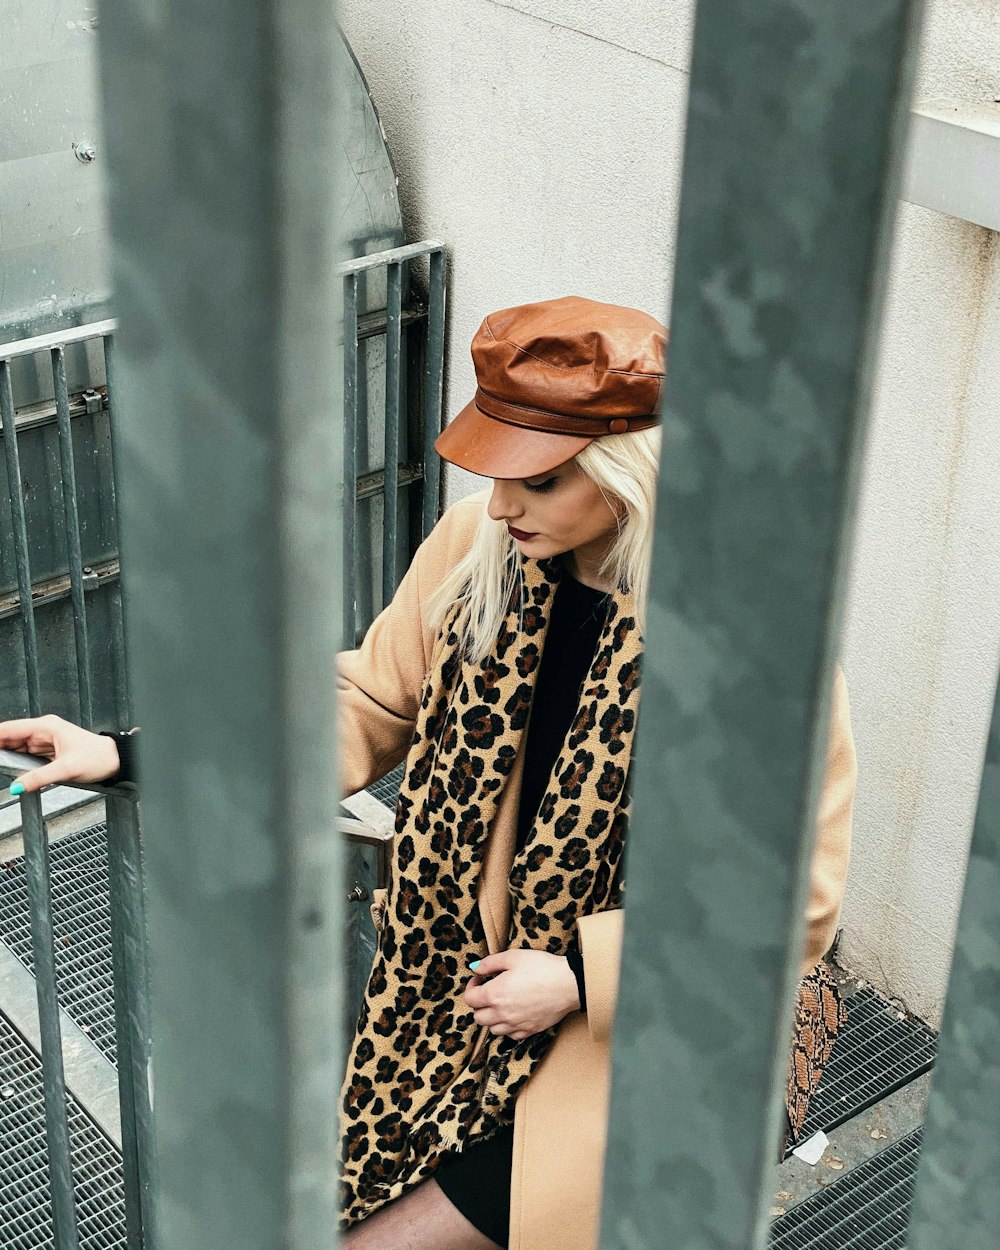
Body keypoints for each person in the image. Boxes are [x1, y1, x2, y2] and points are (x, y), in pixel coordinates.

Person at [0, 295, 857, 1250]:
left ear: (633, 468)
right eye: (496, 471)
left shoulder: (754, 641)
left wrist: (579, 978)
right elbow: (364, 702)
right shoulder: (479, 547)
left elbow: (792, 904)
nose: (500, 503)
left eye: (538, 480)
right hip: (456, 1013)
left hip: (646, 1037)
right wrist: (130, 751)